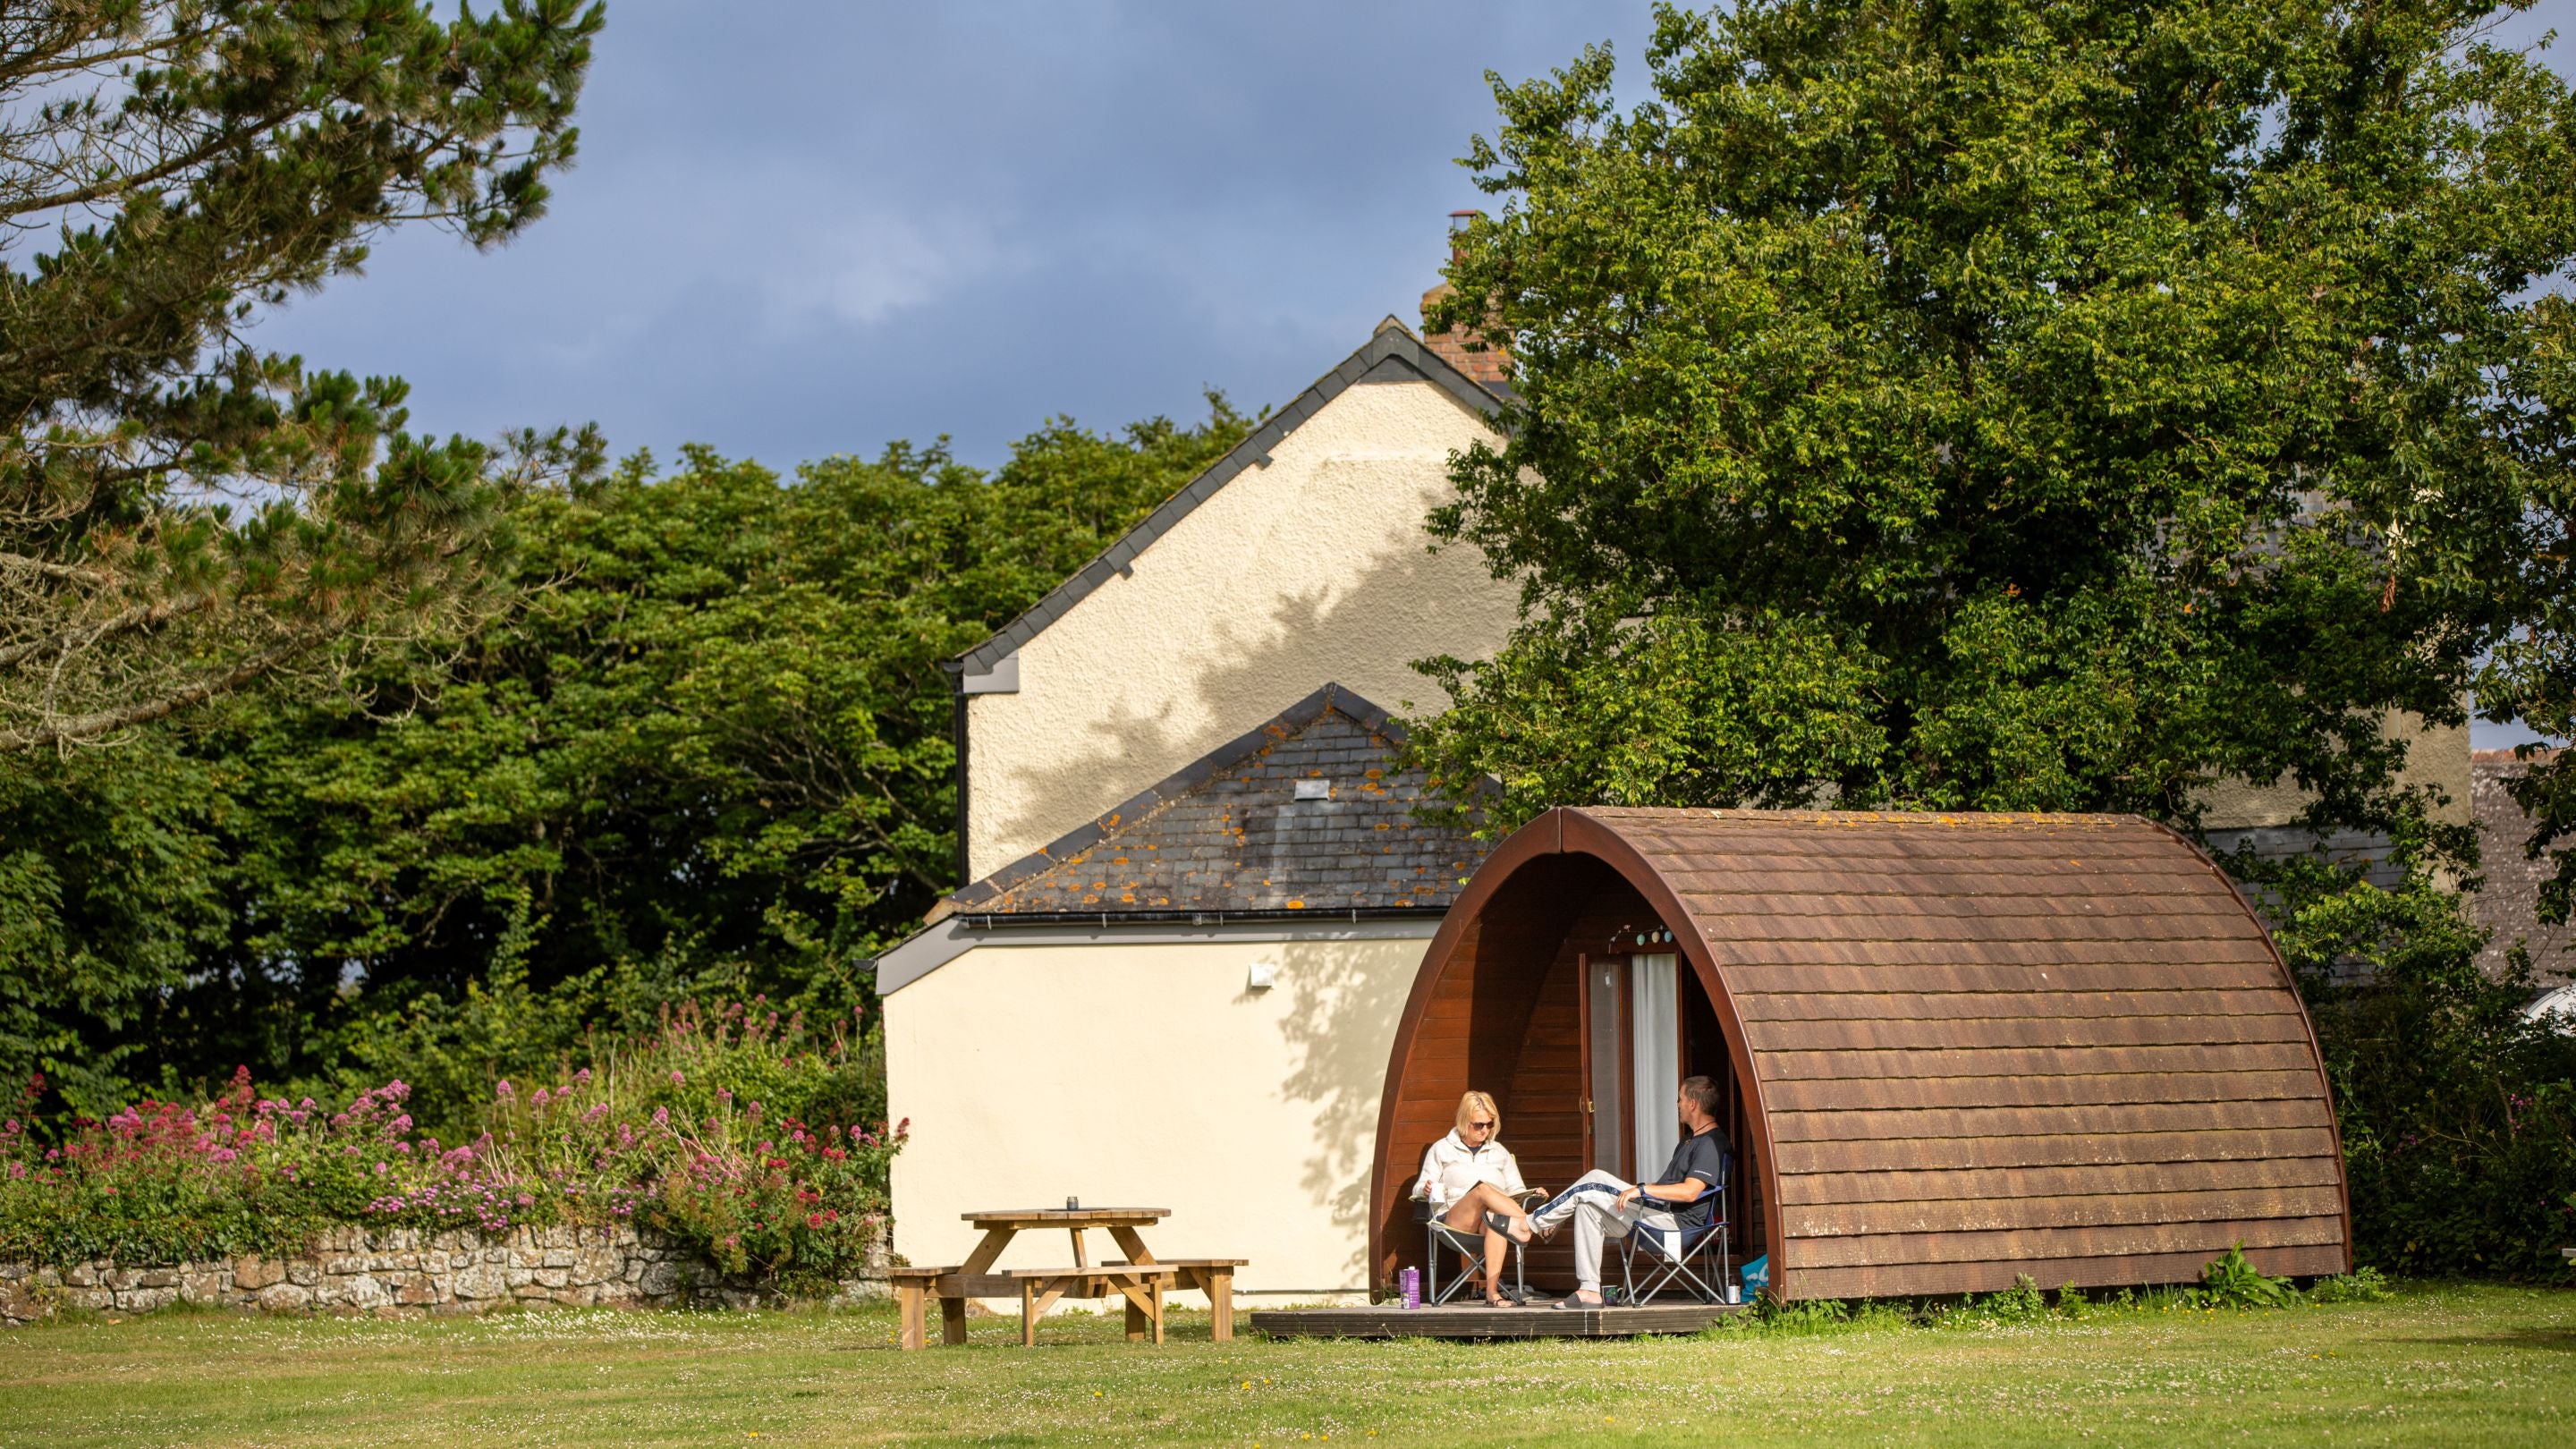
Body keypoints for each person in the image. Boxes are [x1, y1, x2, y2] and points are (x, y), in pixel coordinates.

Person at [1525, 1074, 1731, 1309]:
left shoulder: (1711, 1144)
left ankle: (1530, 1224)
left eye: (1680, 1099)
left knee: (1594, 1178)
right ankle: (1590, 1290)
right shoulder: (1688, 1140)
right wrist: (1641, 1192)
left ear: (1693, 1104)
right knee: (1587, 1208)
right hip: (1655, 1216)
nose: (1678, 1104)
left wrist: (1641, 1190)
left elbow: (1690, 1192)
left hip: (1675, 1223)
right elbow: (1670, 1188)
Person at [1411, 1089, 1538, 1307]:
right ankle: (1536, 1223)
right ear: (1464, 1121)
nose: (1485, 1130)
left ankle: (1492, 1293)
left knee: (1495, 1221)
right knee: (1483, 1190)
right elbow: (1418, 1187)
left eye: (1489, 1124)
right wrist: (1426, 1188)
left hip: (1489, 1221)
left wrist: (1532, 1195)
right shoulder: (1442, 1149)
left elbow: (1517, 1189)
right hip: (1454, 1223)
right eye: (1478, 1125)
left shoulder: (1499, 1152)